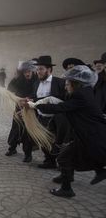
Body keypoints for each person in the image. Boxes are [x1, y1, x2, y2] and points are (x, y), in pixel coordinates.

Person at [26, 65, 106, 197]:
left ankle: (66, 188)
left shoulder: (80, 96)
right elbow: (60, 97)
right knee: (74, 155)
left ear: (76, 84)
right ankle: (97, 171)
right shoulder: (83, 92)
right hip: (88, 134)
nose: (65, 86)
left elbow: (60, 108)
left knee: (64, 157)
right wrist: (35, 101)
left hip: (91, 135)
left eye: (67, 83)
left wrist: (36, 106)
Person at [32, 55, 68, 169]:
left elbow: (64, 99)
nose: (38, 72)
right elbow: (35, 99)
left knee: (56, 143)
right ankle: (49, 161)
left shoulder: (60, 82)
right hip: (41, 117)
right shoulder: (36, 83)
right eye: (37, 69)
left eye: (41, 69)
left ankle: (62, 165)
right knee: (43, 141)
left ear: (49, 69)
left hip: (55, 119)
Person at [5, 61, 37, 162]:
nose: (27, 74)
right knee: (16, 127)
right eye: (25, 72)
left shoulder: (36, 80)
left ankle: (28, 154)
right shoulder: (19, 79)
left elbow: (37, 93)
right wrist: (15, 77)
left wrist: (30, 99)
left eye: (29, 71)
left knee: (27, 131)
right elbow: (10, 88)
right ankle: (12, 148)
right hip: (19, 106)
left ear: (32, 71)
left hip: (30, 108)